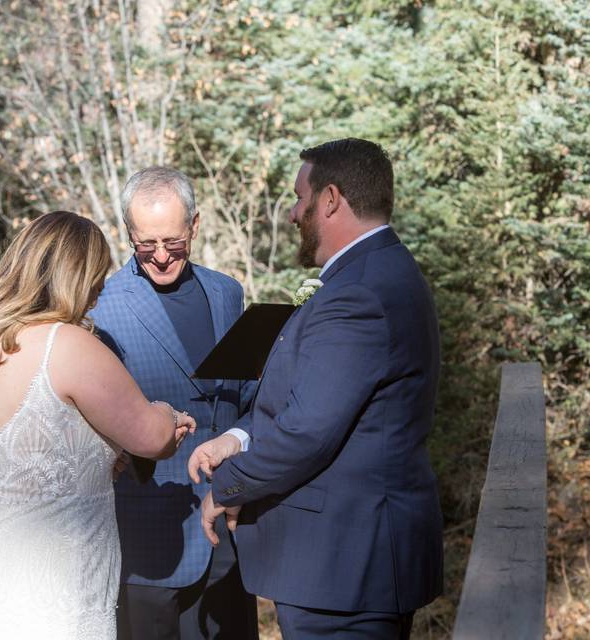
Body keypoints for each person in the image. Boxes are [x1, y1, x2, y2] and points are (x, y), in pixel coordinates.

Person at [189, 138, 444, 639]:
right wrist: (239, 438)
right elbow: (311, 402)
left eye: (298, 197)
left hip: (346, 568)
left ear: (329, 200)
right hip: (350, 564)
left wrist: (228, 487)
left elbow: (308, 432)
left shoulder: (358, 294)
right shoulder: (377, 272)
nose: (291, 213)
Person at [0, 211, 196, 639]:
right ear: (74, 276)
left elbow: (36, 445)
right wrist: (169, 415)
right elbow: (151, 438)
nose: (96, 297)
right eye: (95, 280)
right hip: (50, 576)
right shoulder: (68, 345)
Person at [90, 167, 259, 639]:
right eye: (146, 245)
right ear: (128, 234)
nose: (161, 257)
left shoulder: (227, 293)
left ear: (195, 227)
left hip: (228, 522)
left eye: (173, 242)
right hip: (150, 540)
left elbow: (248, 398)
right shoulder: (101, 305)